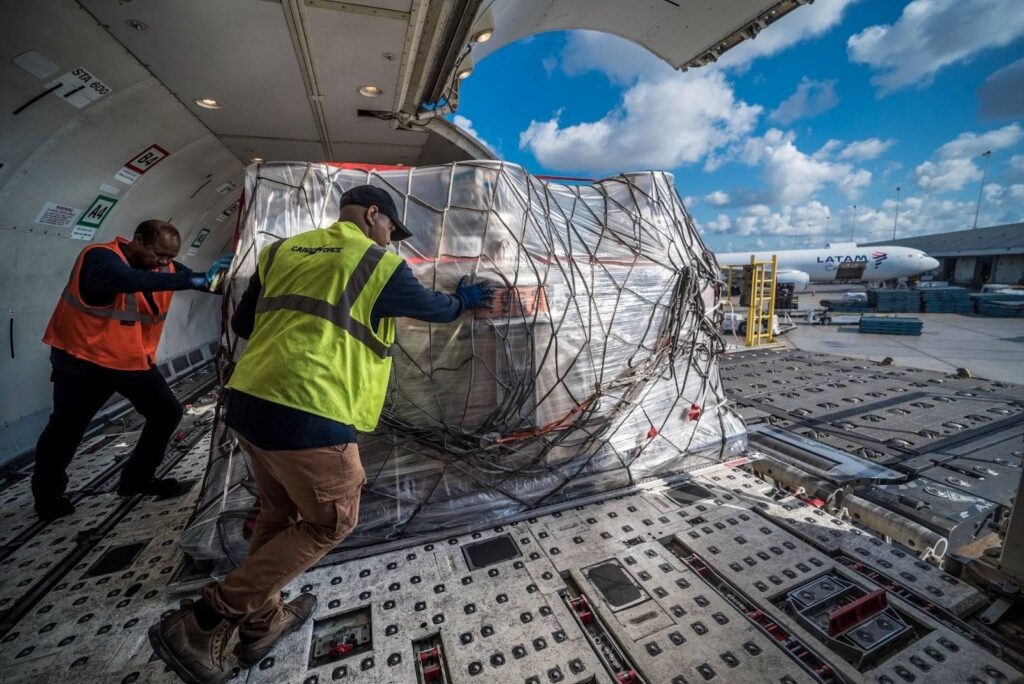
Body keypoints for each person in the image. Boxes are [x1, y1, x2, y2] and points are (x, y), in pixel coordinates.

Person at [149, 186, 493, 683]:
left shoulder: (280, 251)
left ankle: (263, 624)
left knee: (280, 511)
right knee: (332, 520)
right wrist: (464, 298)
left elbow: (245, 323)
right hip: (309, 408)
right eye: (391, 231)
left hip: (248, 401)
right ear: (374, 215)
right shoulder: (376, 264)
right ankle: (204, 620)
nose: (390, 241)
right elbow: (435, 310)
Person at [32, 220, 233, 520]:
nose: (164, 263)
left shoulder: (163, 269)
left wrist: (234, 276)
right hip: (83, 363)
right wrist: (192, 280)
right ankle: (47, 495)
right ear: (137, 240)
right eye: (158, 254)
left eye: (169, 257)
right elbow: (126, 279)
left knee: (166, 413)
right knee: (66, 428)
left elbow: (201, 282)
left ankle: (137, 478)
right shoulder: (99, 258)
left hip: (129, 361)